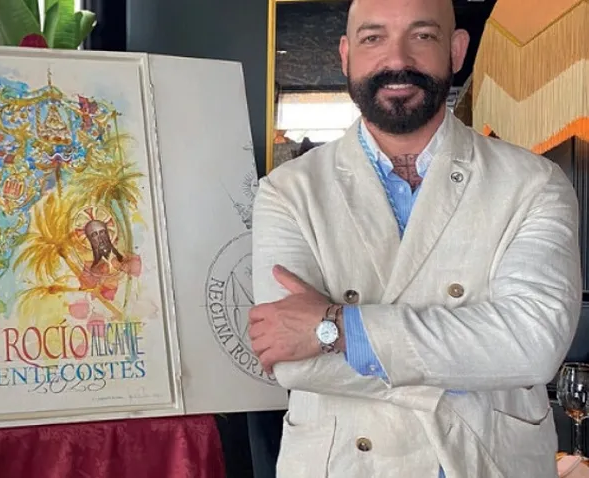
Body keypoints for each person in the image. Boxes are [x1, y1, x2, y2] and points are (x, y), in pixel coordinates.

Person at [247, 0, 582, 477]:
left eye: (422, 36)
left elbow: (532, 345)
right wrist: (477, 364)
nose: (397, 58)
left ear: (456, 50)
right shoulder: (286, 192)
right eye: (373, 38)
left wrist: (337, 329)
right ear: (346, 54)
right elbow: (292, 362)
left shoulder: (534, 184)